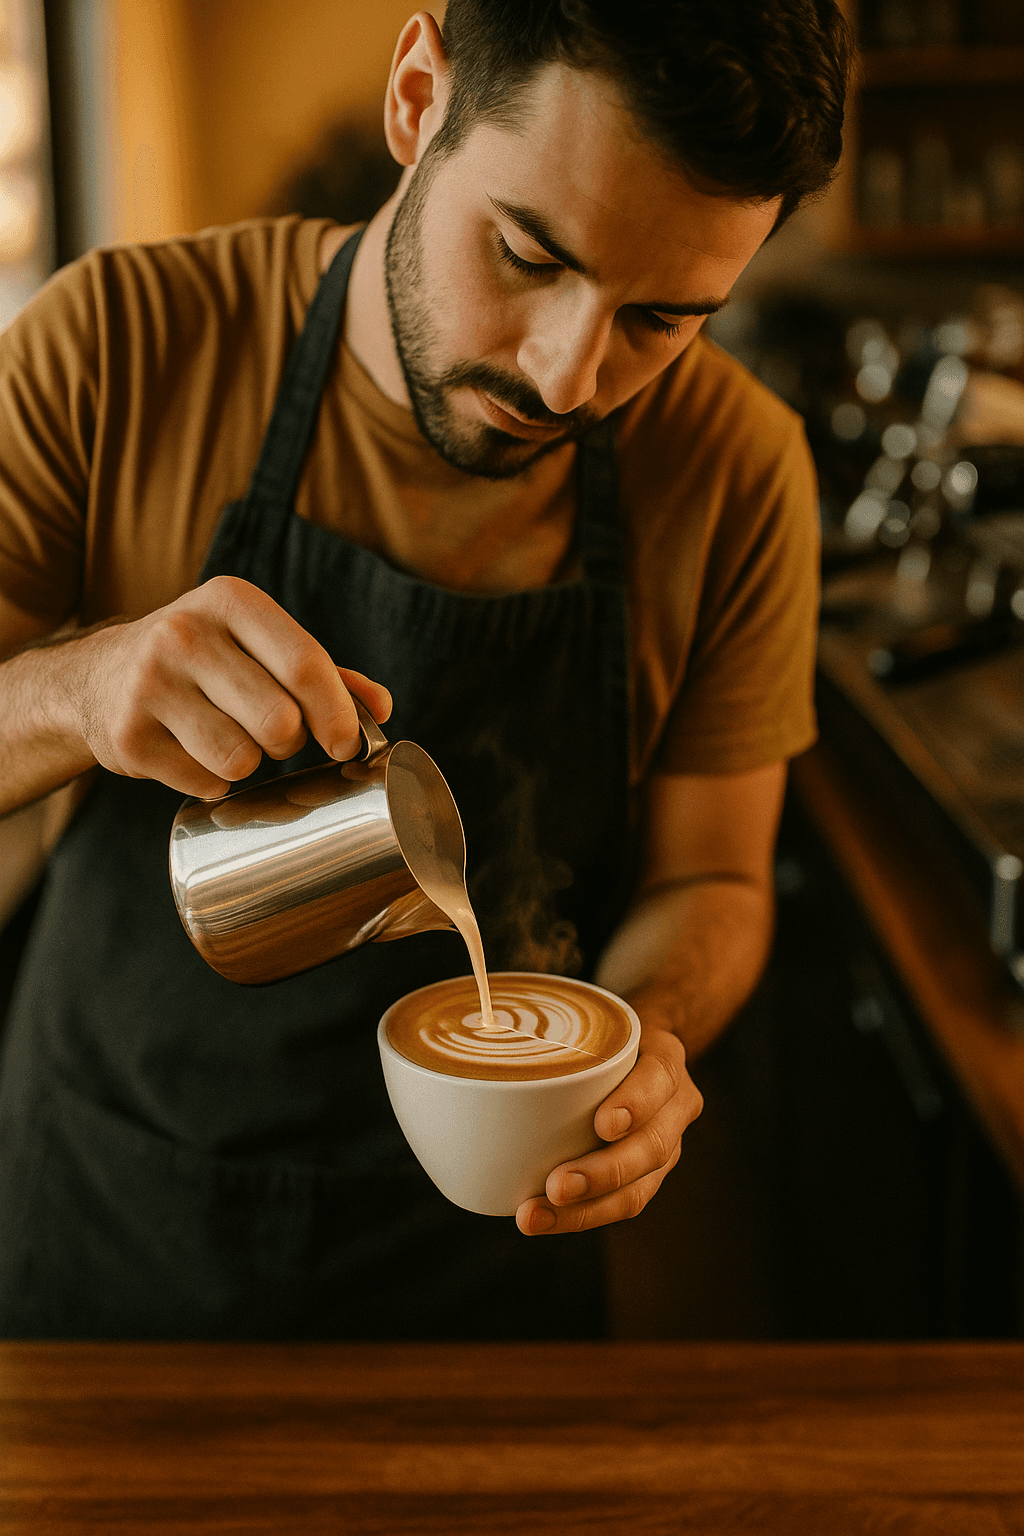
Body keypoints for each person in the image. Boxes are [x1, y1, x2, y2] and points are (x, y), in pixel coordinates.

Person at [0, 1, 850, 1339]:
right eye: (526, 254)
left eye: (664, 320)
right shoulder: (121, 343)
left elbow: (715, 877)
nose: (570, 376)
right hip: (113, 1228)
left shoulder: (739, 473)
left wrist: (636, 1049)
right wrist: (78, 690)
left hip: (483, 1273)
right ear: (417, 96)